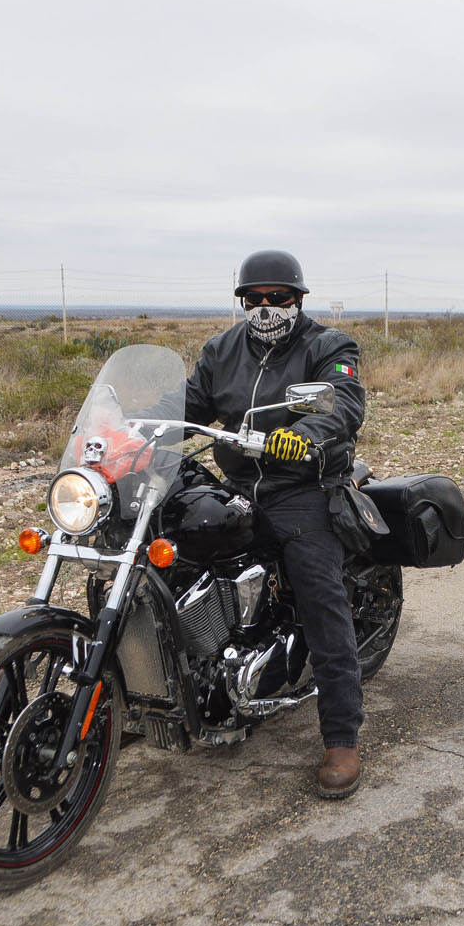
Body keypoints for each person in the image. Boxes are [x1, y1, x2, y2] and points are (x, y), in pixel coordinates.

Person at [184, 250, 368, 799]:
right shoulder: (221, 349)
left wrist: (306, 435)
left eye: (279, 298)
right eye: (255, 299)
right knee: (171, 552)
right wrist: (130, 433)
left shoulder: (328, 346)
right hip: (238, 486)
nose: (266, 309)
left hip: (303, 487)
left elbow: (343, 404)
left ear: (298, 299)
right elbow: (189, 404)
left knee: (319, 596)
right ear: (241, 301)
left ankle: (342, 736)